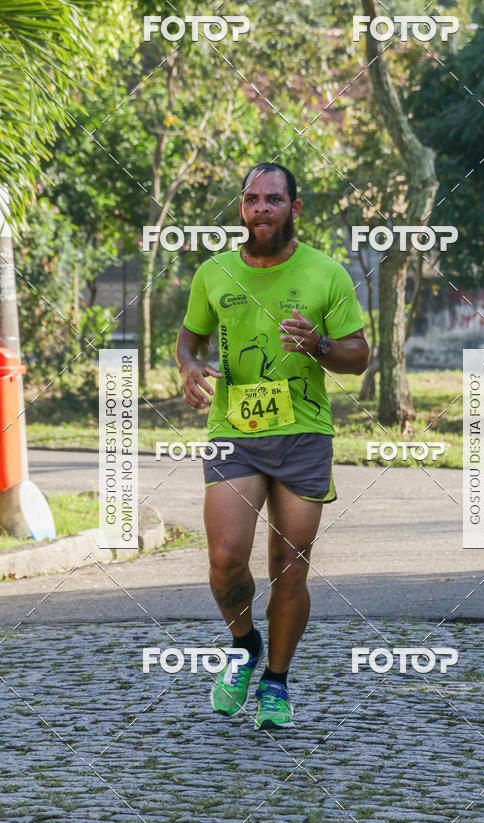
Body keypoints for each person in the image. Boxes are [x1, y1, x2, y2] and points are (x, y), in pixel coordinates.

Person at [176, 162, 369, 730]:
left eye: (274, 199)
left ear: (295, 208)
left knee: (289, 566)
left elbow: (359, 357)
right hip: (234, 430)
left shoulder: (326, 274)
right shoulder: (214, 273)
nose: (262, 208)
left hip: (304, 435)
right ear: (241, 207)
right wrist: (188, 367)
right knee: (225, 559)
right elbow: (191, 336)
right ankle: (244, 643)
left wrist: (320, 344)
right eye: (252, 199)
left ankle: (277, 683)